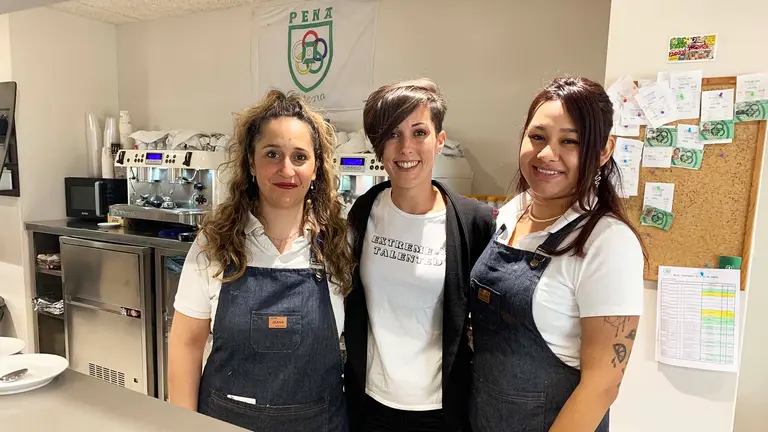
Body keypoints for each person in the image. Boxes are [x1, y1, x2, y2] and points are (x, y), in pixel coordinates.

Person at [167, 90, 354, 432]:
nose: (287, 169)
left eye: (300, 157)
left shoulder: (339, 247)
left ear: (315, 169)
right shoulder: (215, 244)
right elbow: (186, 344)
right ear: (251, 163)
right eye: (272, 154)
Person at [468, 76, 646, 432]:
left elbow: (602, 385)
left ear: (603, 150)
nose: (547, 154)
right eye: (537, 137)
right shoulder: (511, 213)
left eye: (570, 141)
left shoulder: (607, 242)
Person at [344, 78, 495, 432]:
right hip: (369, 403)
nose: (405, 147)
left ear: (439, 140)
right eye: (392, 135)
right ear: (378, 146)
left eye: (419, 133)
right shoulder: (363, 212)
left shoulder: (472, 222)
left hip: (440, 410)